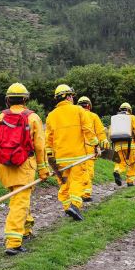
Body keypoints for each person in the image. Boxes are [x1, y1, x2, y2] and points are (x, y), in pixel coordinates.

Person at [0, 83, 48, 255]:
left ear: (8, 99)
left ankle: (26, 230)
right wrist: (43, 169)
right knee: (19, 203)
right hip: (24, 167)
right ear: (26, 99)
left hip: (5, 167)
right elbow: (40, 147)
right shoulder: (33, 118)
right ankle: (13, 242)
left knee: (20, 199)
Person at [46, 85, 99, 221]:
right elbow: (88, 130)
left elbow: (49, 140)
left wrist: (50, 157)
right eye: (72, 96)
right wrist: (96, 145)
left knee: (64, 183)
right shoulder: (78, 110)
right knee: (77, 181)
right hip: (78, 156)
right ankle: (74, 206)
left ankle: (66, 207)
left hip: (60, 158)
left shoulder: (51, 116)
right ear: (68, 96)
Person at [77, 96, 108, 201]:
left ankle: (78, 192)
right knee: (88, 171)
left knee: (79, 171)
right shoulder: (93, 116)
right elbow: (100, 132)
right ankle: (85, 194)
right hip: (90, 148)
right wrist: (104, 145)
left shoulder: (75, 115)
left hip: (77, 148)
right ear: (89, 106)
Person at [112, 102, 135, 187]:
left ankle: (117, 171)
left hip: (117, 145)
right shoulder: (131, 117)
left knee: (120, 162)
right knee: (132, 163)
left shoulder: (115, 118)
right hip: (130, 145)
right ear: (129, 110)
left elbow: (110, 132)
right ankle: (130, 181)